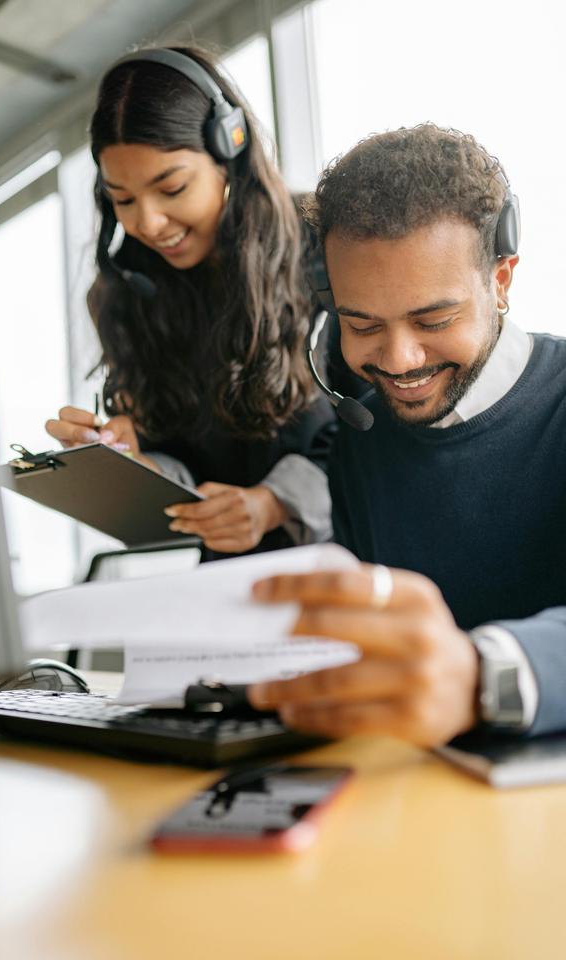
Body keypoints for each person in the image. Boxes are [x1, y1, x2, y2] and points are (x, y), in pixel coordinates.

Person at [248, 125, 566, 745]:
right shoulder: (358, 443)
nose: (398, 359)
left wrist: (483, 675)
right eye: (362, 325)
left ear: (500, 281)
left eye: (433, 319)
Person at [45, 45, 336, 557]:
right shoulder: (127, 294)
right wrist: (128, 465)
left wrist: (276, 502)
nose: (149, 224)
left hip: (348, 557)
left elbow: (383, 420)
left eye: (173, 188)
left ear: (231, 149)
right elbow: (175, 459)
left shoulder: (324, 246)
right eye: (124, 200)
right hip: (225, 583)